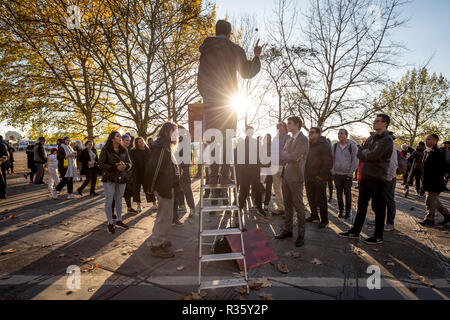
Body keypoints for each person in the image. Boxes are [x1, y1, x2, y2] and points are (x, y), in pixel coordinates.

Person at [197, 19, 263, 187]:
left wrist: (206, 96)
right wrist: (256, 56)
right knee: (226, 138)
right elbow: (247, 72)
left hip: (211, 101)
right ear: (229, 33)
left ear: (216, 30)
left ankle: (212, 175)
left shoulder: (206, 50)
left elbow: (201, 78)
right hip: (228, 101)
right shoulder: (234, 49)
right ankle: (225, 175)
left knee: (212, 138)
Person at [339, 114, 393, 245]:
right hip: (365, 177)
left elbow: (373, 155)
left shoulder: (387, 140)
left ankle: (378, 236)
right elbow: (359, 152)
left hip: (378, 178)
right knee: (361, 206)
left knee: (379, 208)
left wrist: (366, 152)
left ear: (385, 123)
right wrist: (366, 152)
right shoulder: (371, 138)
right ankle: (355, 231)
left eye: (377, 121)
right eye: (374, 121)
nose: (374, 123)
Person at [144, 122, 179, 258]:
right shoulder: (160, 147)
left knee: (166, 216)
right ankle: (156, 245)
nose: (176, 136)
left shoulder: (165, 146)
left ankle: (159, 240)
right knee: (163, 217)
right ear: (167, 132)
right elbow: (153, 169)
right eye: (174, 132)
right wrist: (151, 189)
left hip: (166, 186)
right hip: (162, 187)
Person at [275, 116, 309, 247]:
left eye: (289, 123)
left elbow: (294, 157)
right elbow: (283, 154)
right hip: (286, 175)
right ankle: (287, 230)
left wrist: (287, 155)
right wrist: (288, 155)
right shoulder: (289, 139)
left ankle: (301, 235)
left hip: (296, 177)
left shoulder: (303, 140)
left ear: (297, 124)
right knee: (287, 205)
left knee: (299, 206)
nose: (287, 125)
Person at [99, 131, 132, 234]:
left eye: (120, 136)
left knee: (119, 199)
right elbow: (101, 164)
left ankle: (119, 220)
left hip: (122, 178)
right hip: (109, 177)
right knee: (109, 200)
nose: (120, 137)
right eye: (117, 136)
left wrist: (125, 166)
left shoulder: (124, 149)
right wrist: (114, 166)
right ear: (112, 138)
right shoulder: (105, 149)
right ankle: (110, 223)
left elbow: (130, 163)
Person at [305, 127, 333, 228]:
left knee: (321, 200)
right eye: (309, 132)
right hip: (308, 176)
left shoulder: (324, 144)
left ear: (319, 134)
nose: (310, 134)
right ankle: (314, 216)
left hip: (319, 177)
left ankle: (324, 220)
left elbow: (328, 162)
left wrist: (321, 175)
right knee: (311, 198)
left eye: (312, 132)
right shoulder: (309, 144)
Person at [419, 134, 450, 226]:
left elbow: (444, 165)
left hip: (435, 181)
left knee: (429, 200)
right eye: (426, 139)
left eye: (429, 139)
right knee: (434, 201)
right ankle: (447, 215)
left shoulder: (438, 152)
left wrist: (446, 175)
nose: (426, 141)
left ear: (435, 141)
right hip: (427, 180)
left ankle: (430, 219)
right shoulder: (426, 151)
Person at [238, 127, 266, 217]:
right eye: (248, 131)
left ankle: (259, 207)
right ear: (245, 132)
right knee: (243, 189)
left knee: (257, 189)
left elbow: (261, 155)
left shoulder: (257, 142)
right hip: (244, 170)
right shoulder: (241, 143)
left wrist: (261, 166)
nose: (250, 132)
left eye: (252, 131)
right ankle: (240, 208)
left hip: (255, 169)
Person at [331, 129, 359, 219]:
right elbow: (331, 159)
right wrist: (332, 170)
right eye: (338, 134)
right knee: (339, 193)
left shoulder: (352, 146)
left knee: (347, 193)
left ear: (346, 135)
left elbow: (355, 160)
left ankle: (348, 211)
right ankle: (341, 210)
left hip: (347, 174)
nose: (339, 135)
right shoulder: (334, 146)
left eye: (342, 134)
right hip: (337, 174)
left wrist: (351, 172)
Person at [130, 137, 156, 212]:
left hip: (147, 174)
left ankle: (154, 204)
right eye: (140, 142)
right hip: (137, 173)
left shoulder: (148, 150)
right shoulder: (133, 151)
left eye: (142, 141)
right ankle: (139, 205)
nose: (142, 143)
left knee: (148, 189)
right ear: (137, 144)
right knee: (136, 190)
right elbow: (133, 163)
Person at [176, 127, 196, 218]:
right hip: (175, 168)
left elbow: (189, 155)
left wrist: (185, 166)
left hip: (184, 167)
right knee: (178, 188)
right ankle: (182, 206)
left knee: (186, 188)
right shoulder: (173, 141)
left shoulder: (186, 141)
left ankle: (192, 208)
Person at [383, 132, 399, 232]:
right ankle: (380, 219)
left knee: (389, 200)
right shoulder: (383, 148)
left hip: (388, 178)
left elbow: (393, 165)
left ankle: (390, 223)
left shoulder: (391, 149)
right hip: (382, 178)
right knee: (380, 200)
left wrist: (388, 178)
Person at [272, 123, 289, 216]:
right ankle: (281, 207)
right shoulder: (275, 138)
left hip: (283, 165)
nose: (278, 128)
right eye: (277, 127)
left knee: (284, 188)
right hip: (274, 165)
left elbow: (289, 151)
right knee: (276, 188)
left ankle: (287, 209)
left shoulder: (287, 138)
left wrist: (284, 162)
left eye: (280, 126)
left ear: (285, 128)